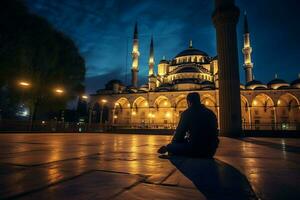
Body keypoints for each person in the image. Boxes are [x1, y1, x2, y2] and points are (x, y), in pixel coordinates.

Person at [157, 92, 219, 158]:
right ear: (199, 100)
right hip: (211, 151)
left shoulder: (187, 113)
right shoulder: (210, 113)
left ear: (188, 102)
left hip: (196, 150)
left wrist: (170, 147)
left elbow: (179, 134)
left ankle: (171, 153)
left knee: (171, 146)